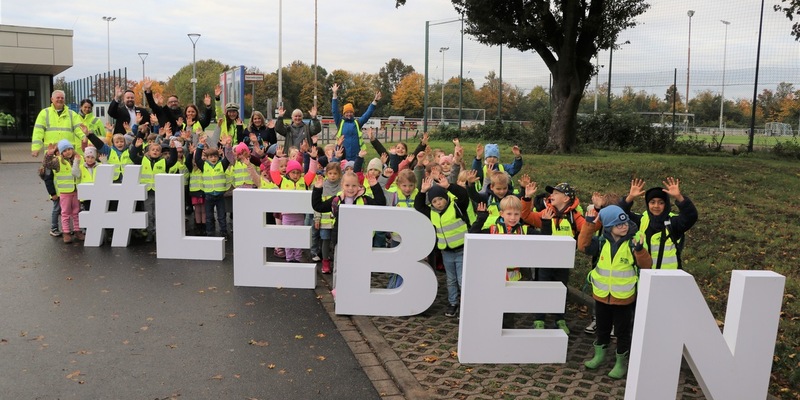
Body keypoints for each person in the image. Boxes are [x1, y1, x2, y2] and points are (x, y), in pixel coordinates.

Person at [578, 205, 652, 380]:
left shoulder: (633, 241)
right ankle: (599, 355)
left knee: (622, 331)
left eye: (625, 222)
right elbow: (582, 246)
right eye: (619, 225)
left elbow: (646, 265)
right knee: (602, 328)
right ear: (609, 226)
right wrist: (589, 225)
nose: (624, 226)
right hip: (602, 295)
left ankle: (621, 362)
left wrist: (640, 249)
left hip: (624, 298)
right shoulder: (601, 241)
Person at [470, 196, 553, 327]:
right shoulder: (493, 230)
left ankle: (505, 336)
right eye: (509, 214)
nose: (513, 218)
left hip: (513, 280)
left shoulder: (524, 230)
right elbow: (472, 235)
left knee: (508, 313)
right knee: (492, 310)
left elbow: (545, 240)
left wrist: (546, 223)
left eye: (516, 214)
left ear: (521, 214)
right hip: (493, 279)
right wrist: (481, 218)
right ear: (501, 213)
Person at [521, 182, 585, 334]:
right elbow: (526, 216)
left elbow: (588, 230)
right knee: (541, 288)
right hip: (544, 261)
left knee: (561, 289)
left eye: (556, 193)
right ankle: (539, 319)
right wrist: (527, 198)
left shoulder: (575, 217)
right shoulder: (546, 212)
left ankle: (560, 318)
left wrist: (595, 214)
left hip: (563, 262)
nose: (551, 196)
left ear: (566, 198)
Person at [312, 171, 386, 294]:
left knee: (359, 267)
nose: (350, 189)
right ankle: (338, 292)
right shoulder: (336, 200)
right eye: (347, 185)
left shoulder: (365, 200)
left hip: (360, 240)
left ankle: (357, 292)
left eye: (353, 185)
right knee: (339, 267)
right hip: (341, 240)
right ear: (342, 185)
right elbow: (318, 206)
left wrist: (375, 186)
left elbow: (381, 204)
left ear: (359, 186)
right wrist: (317, 189)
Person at [414, 174, 470, 318]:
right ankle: (453, 303)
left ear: (445, 197)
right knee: (450, 279)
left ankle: (465, 305)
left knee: (462, 279)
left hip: (463, 250)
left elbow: (464, 195)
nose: (438, 203)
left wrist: (449, 186)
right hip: (446, 252)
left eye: (440, 199)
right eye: (435, 201)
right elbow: (418, 206)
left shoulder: (456, 206)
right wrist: (422, 192)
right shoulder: (431, 212)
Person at [621, 177, 698, 270]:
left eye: (661, 203)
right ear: (648, 204)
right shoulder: (641, 221)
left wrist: (679, 197)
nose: (656, 206)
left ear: (666, 205)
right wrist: (630, 197)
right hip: (646, 276)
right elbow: (619, 215)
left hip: (670, 277)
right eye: (652, 202)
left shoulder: (673, 223)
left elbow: (691, 216)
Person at [130, 129, 179, 242]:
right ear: (148, 151)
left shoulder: (164, 162)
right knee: (149, 214)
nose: (155, 151)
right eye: (153, 150)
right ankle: (150, 233)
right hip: (147, 192)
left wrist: (173, 149)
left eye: (157, 150)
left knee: (159, 214)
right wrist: (136, 147)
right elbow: (133, 157)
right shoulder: (143, 160)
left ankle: (159, 233)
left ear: (161, 153)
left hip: (160, 192)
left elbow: (173, 160)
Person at [42, 140, 83, 244]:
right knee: (65, 213)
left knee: (76, 212)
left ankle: (77, 231)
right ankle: (66, 233)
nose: (68, 152)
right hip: (65, 192)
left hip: (76, 190)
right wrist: (49, 154)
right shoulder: (58, 161)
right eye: (64, 150)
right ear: (60, 152)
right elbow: (47, 165)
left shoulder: (77, 158)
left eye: (69, 149)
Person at [331, 83, 381, 161]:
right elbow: (334, 111)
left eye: (351, 112)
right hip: (343, 156)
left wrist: (375, 102)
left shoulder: (357, 123)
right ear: (344, 113)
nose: (349, 114)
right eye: (347, 112)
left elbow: (367, 114)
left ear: (353, 113)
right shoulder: (340, 122)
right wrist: (334, 94)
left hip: (356, 156)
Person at [194, 136, 232, 238]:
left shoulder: (221, 165)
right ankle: (210, 232)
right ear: (206, 158)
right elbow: (197, 158)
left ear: (218, 157)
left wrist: (227, 146)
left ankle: (224, 232)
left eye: (215, 156)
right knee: (209, 216)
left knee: (221, 216)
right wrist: (200, 145)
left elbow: (228, 158)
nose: (213, 158)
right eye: (211, 157)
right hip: (208, 196)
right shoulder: (204, 165)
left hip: (220, 195)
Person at [314, 162, 343, 274]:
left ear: (339, 174)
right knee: (325, 241)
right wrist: (317, 219)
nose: (332, 176)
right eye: (330, 173)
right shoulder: (322, 185)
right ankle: (325, 263)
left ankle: (337, 262)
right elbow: (317, 204)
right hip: (325, 221)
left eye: (335, 173)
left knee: (337, 242)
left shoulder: (342, 186)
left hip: (338, 222)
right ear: (326, 174)